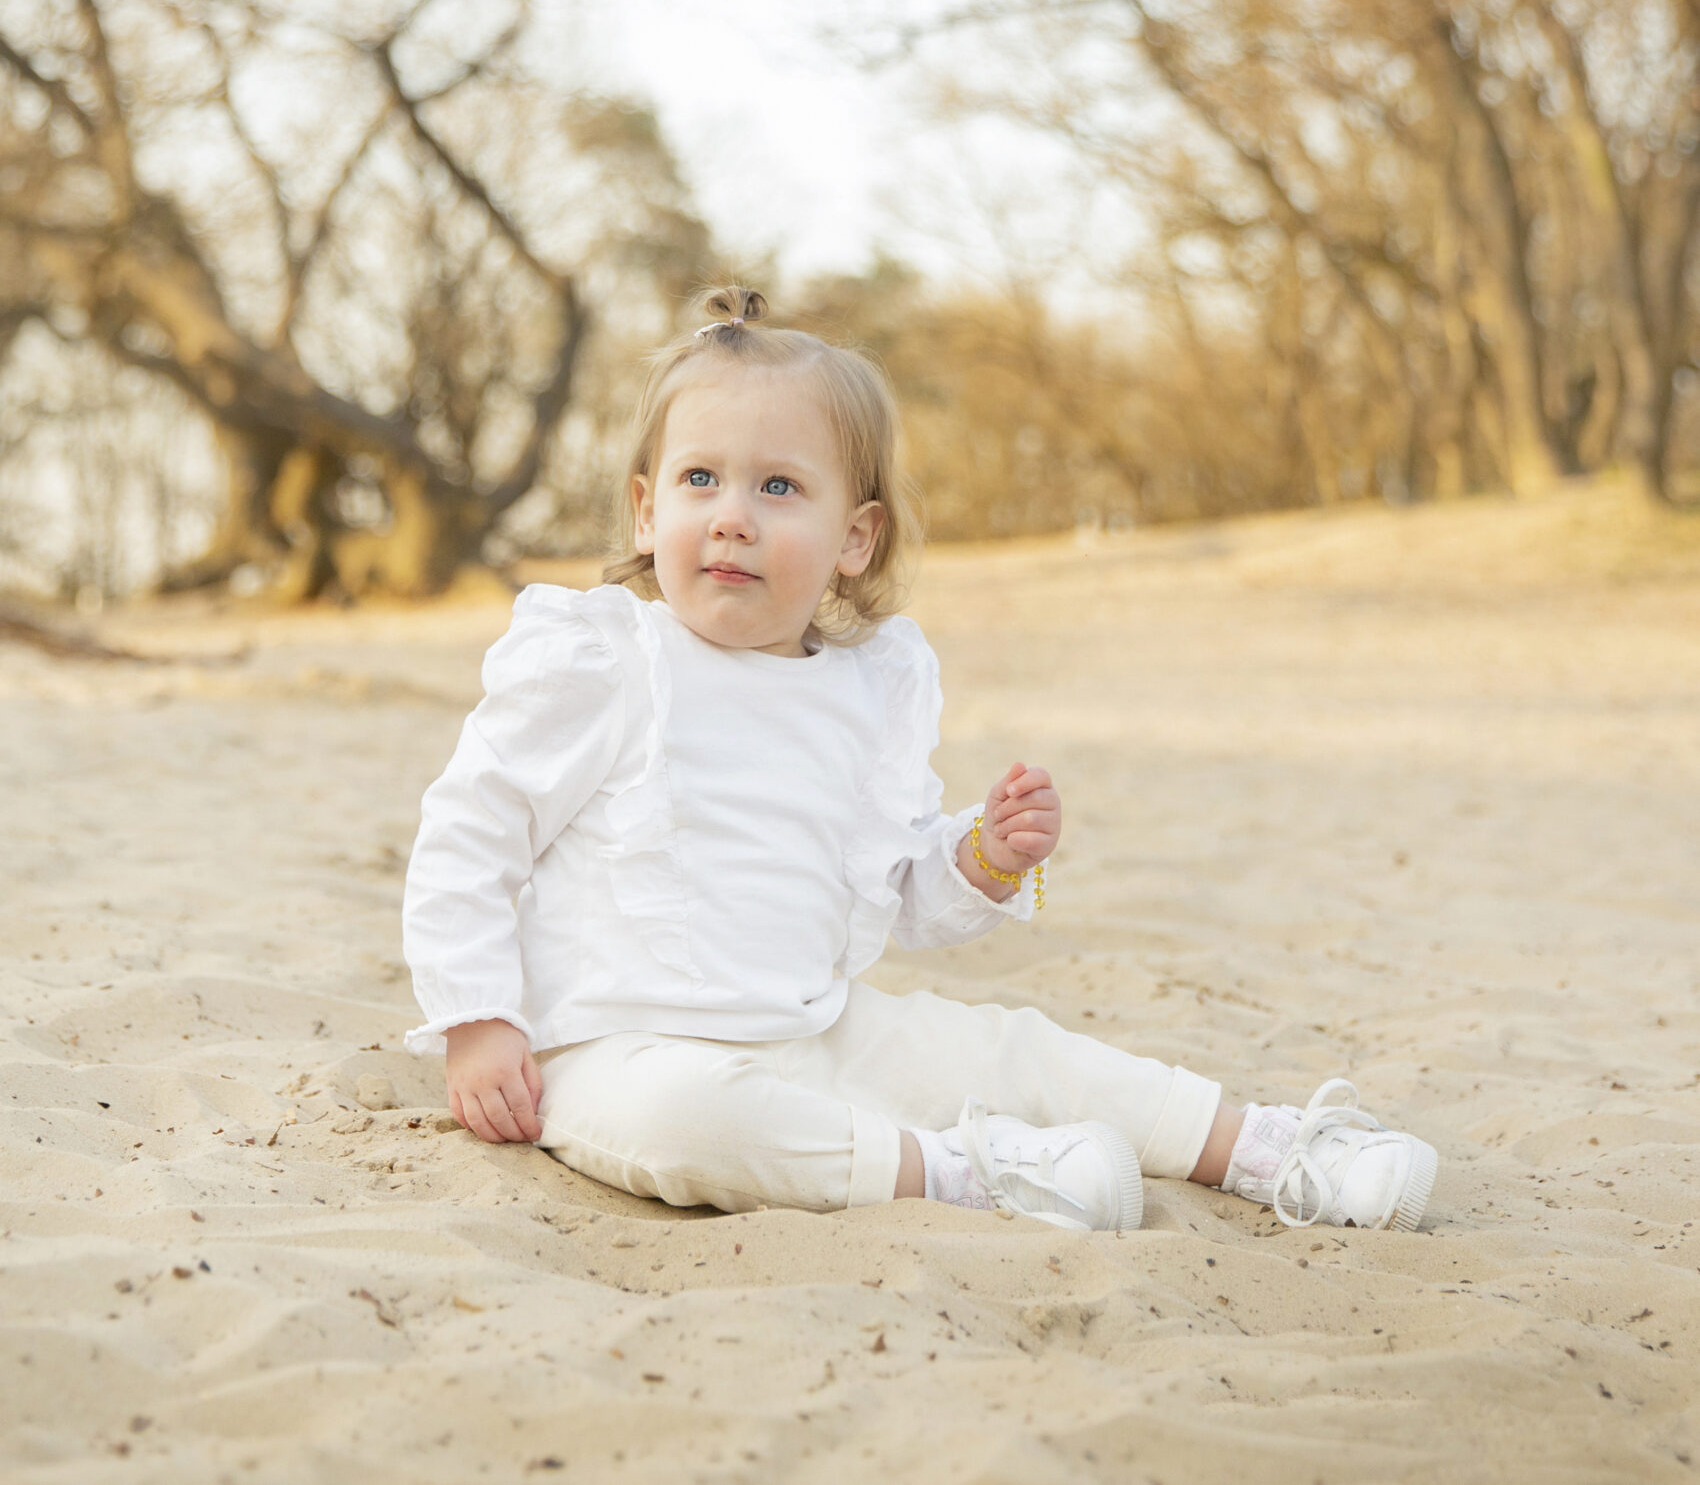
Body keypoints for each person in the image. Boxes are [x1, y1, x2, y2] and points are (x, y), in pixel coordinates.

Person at [401, 287, 1438, 1233]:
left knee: (1006, 1047)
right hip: (607, 1049)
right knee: (682, 1124)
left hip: (814, 1029)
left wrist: (980, 857)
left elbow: (893, 892)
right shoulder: (606, 662)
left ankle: (1265, 1146)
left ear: (853, 537)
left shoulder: (861, 689)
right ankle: (962, 1170)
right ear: (645, 509)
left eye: (776, 486)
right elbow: (471, 832)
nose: (730, 514)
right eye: (699, 478)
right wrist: (479, 1019)